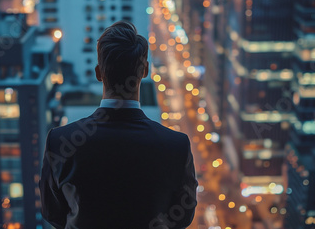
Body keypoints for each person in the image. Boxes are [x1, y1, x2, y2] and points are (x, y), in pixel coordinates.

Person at [39, 21, 197, 229]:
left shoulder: (60, 142)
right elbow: (183, 218)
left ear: (98, 73)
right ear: (145, 71)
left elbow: (53, 213)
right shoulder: (176, 146)